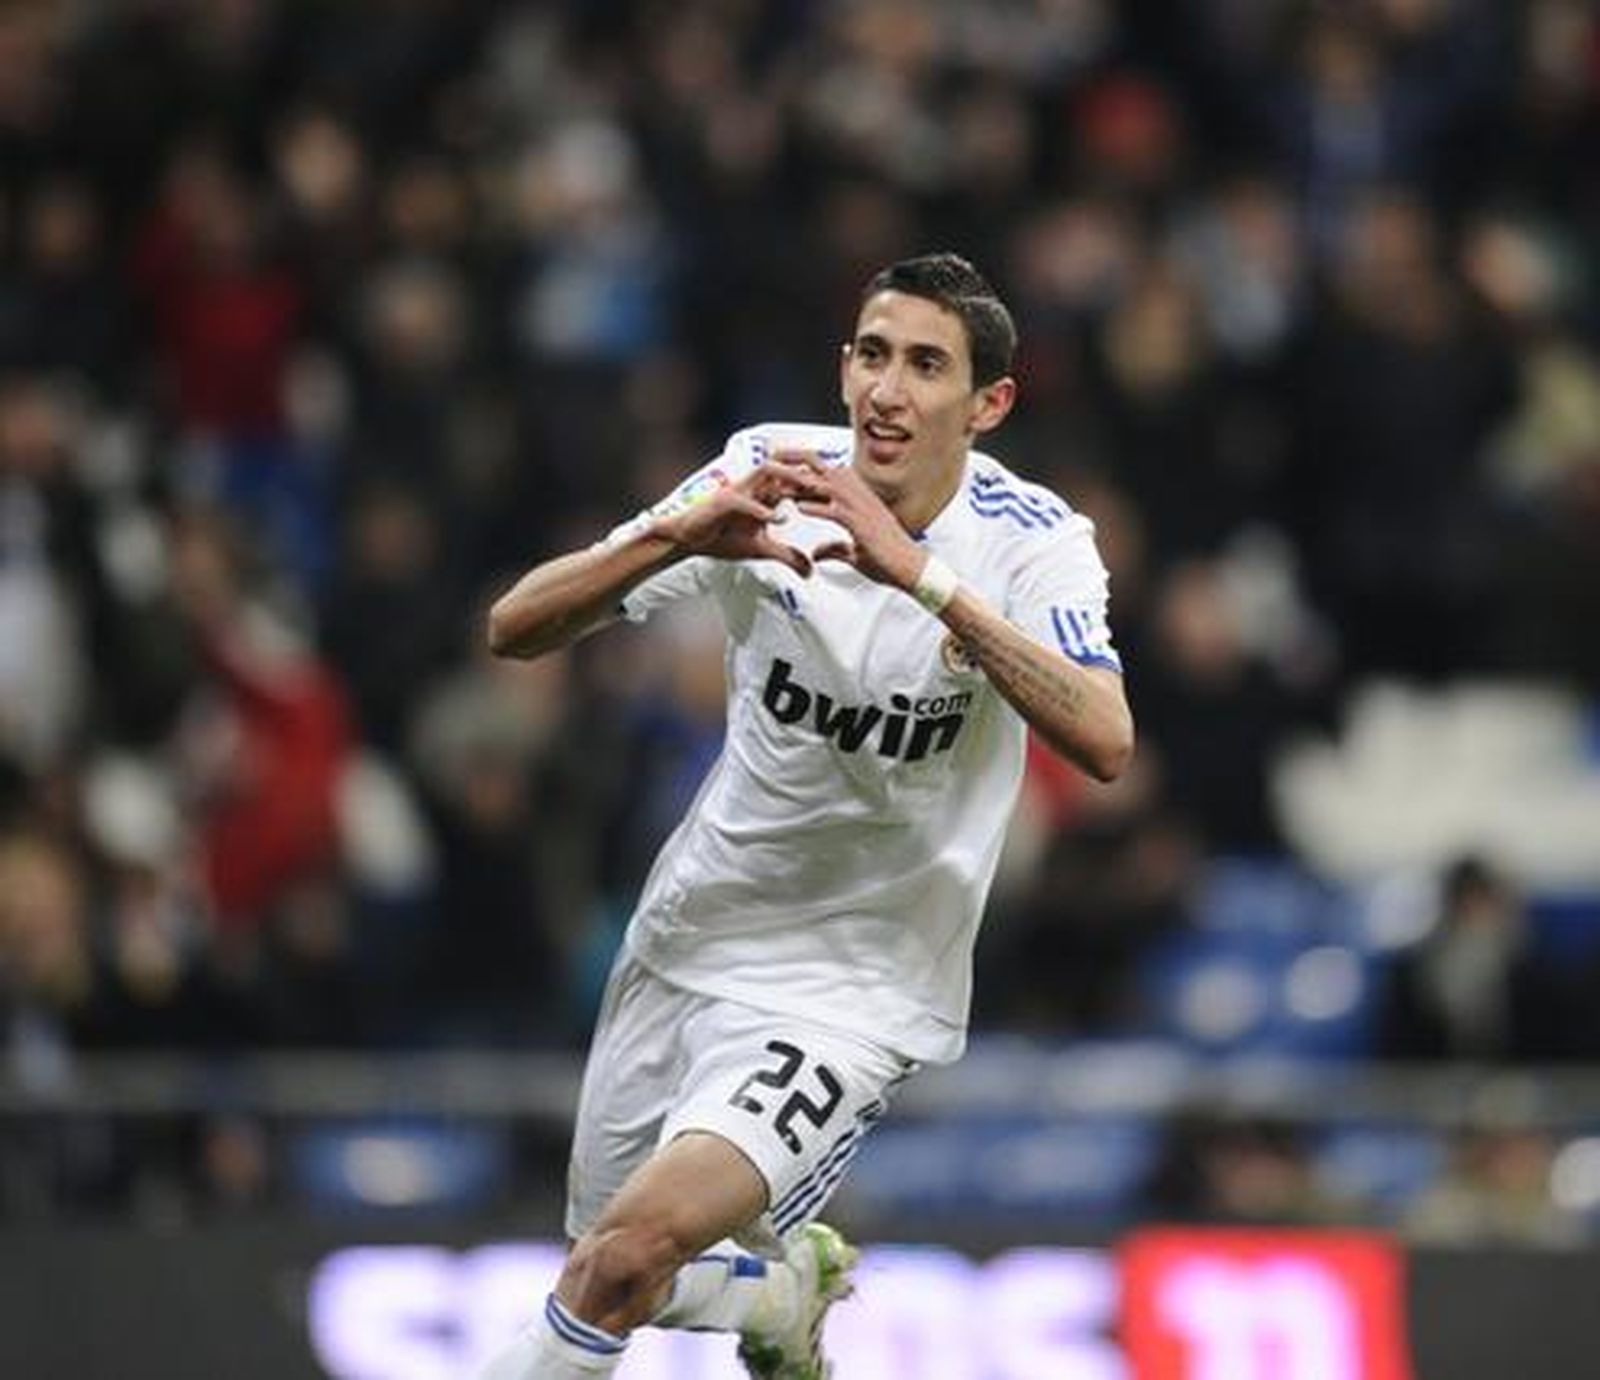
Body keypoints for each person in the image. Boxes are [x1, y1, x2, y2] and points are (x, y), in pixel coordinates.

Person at [477, 254, 1133, 1379]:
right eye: (872, 354)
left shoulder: (1035, 544)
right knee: (605, 1263)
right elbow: (514, 628)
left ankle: (768, 1284)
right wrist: (675, 538)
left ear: (988, 404)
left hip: (854, 986)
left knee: (618, 1261)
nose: (887, 389)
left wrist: (920, 578)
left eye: (926, 365)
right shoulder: (763, 470)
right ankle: (778, 1292)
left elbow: (1105, 737)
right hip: (694, 935)